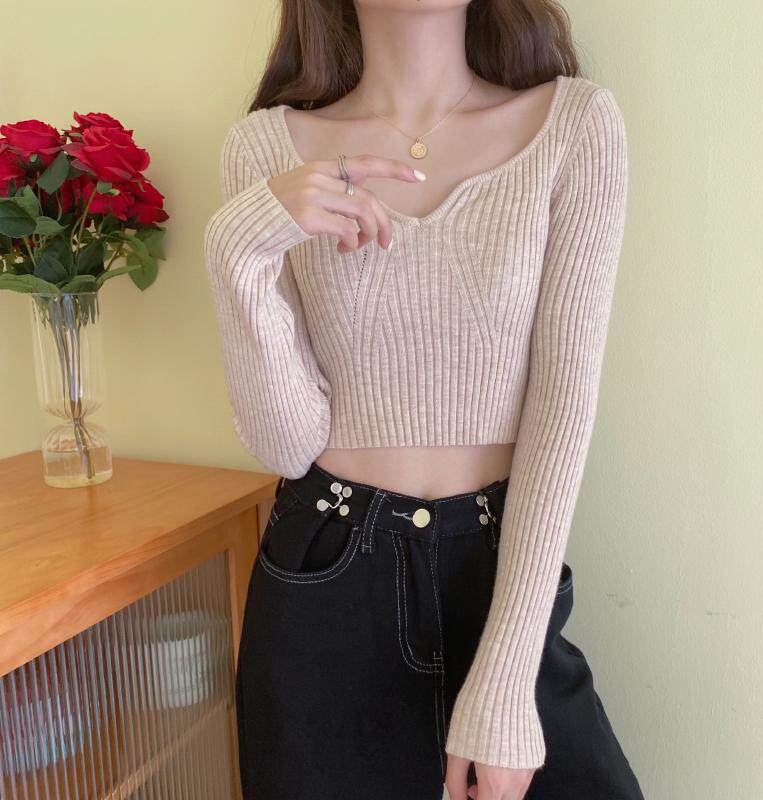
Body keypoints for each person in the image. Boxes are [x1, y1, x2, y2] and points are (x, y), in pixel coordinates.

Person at [203, 2, 642, 798]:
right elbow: (286, 446)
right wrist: (237, 250)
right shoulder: (264, 149)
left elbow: (564, 407)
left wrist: (507, 677)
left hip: (502, 565)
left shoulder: (574, 126)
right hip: (325, 572)